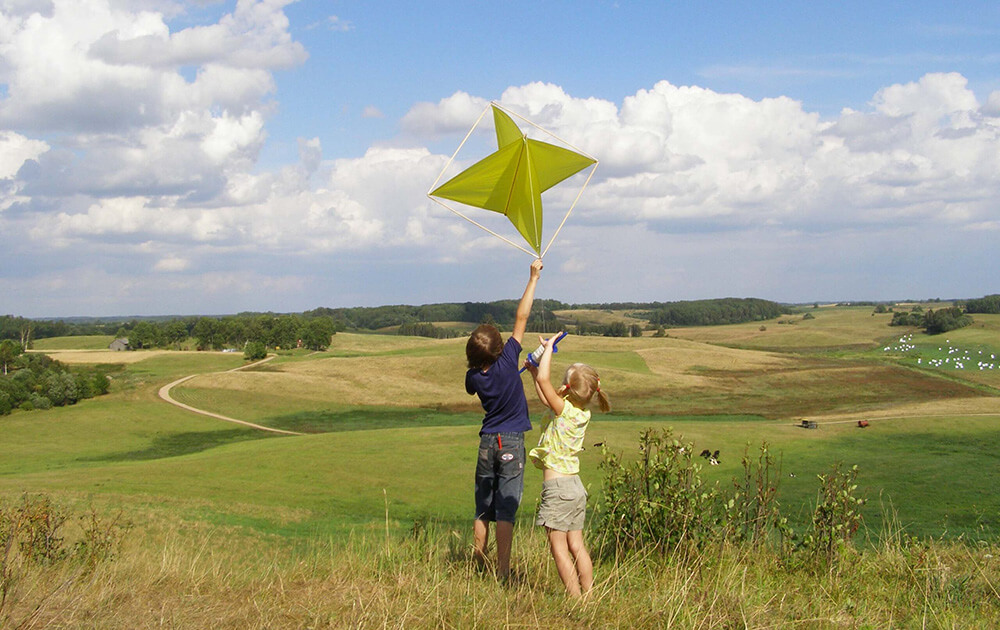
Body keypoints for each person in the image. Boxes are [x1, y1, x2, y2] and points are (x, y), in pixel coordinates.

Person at [465, 258, 543, 580]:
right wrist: (533, 277)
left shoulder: (473, 377)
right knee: (506, 511)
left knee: (483, 508)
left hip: (487, 444)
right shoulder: (510, 358)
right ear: (501, 350)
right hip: (511, 442)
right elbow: (521, 316)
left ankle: (477, 562)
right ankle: (503, 571)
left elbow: (481, 375)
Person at [523, 333, 610, 598]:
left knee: (558, 548)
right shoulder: (581, 412)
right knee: (577, 545)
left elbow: (545, 383)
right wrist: (533, 370)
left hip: (558, 488)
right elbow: (545, 394)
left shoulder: (564, 410)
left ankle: (575, 599)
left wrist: (547, 348)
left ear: (568, 388)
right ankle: (590, 593)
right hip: (575, 486)